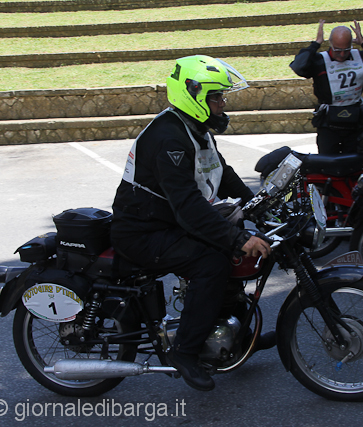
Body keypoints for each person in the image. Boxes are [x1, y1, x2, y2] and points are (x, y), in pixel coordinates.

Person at [110, 55, 273, 392]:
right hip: (142, 231)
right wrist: (238, 238)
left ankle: (237, 336)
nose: (222, 104)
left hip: (166, 221)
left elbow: (222, 173)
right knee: (211, 263)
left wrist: (259, 204)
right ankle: (185, 352)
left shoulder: (193, 129)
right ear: (193, 95)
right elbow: (188, 206)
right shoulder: (169, 138)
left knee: (227, 250)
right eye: (216, 97)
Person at [290, 19, 363, 155]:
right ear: (330, 44)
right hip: (328, 123)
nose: (342, 54)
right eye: (338, 50)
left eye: (346, 50)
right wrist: (316, 44)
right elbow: (298, 67)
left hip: (355, 121)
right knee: (327, 162)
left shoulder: (360, 58)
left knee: (355, 161)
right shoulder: (319, 61)